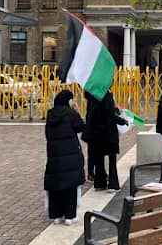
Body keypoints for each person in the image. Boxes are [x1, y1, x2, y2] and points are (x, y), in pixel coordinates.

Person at [44, 90, 86, 225]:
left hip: (54, 155)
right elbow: (81, 127)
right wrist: (77, 112)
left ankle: (57, 215)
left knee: (56, 185)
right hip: (70, 155)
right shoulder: (70, 114)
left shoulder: (50, 114)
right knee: (70, 185)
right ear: (68, 101)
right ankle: (70, 216)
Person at [82, 91, 128, 192]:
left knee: (99, 159)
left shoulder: (92, 96)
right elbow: (110, 114)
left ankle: (99, 183)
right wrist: (123, 121)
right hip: (108, 132)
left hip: (96, 133)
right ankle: (113, 184)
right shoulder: (106, 96)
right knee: (112, 160)